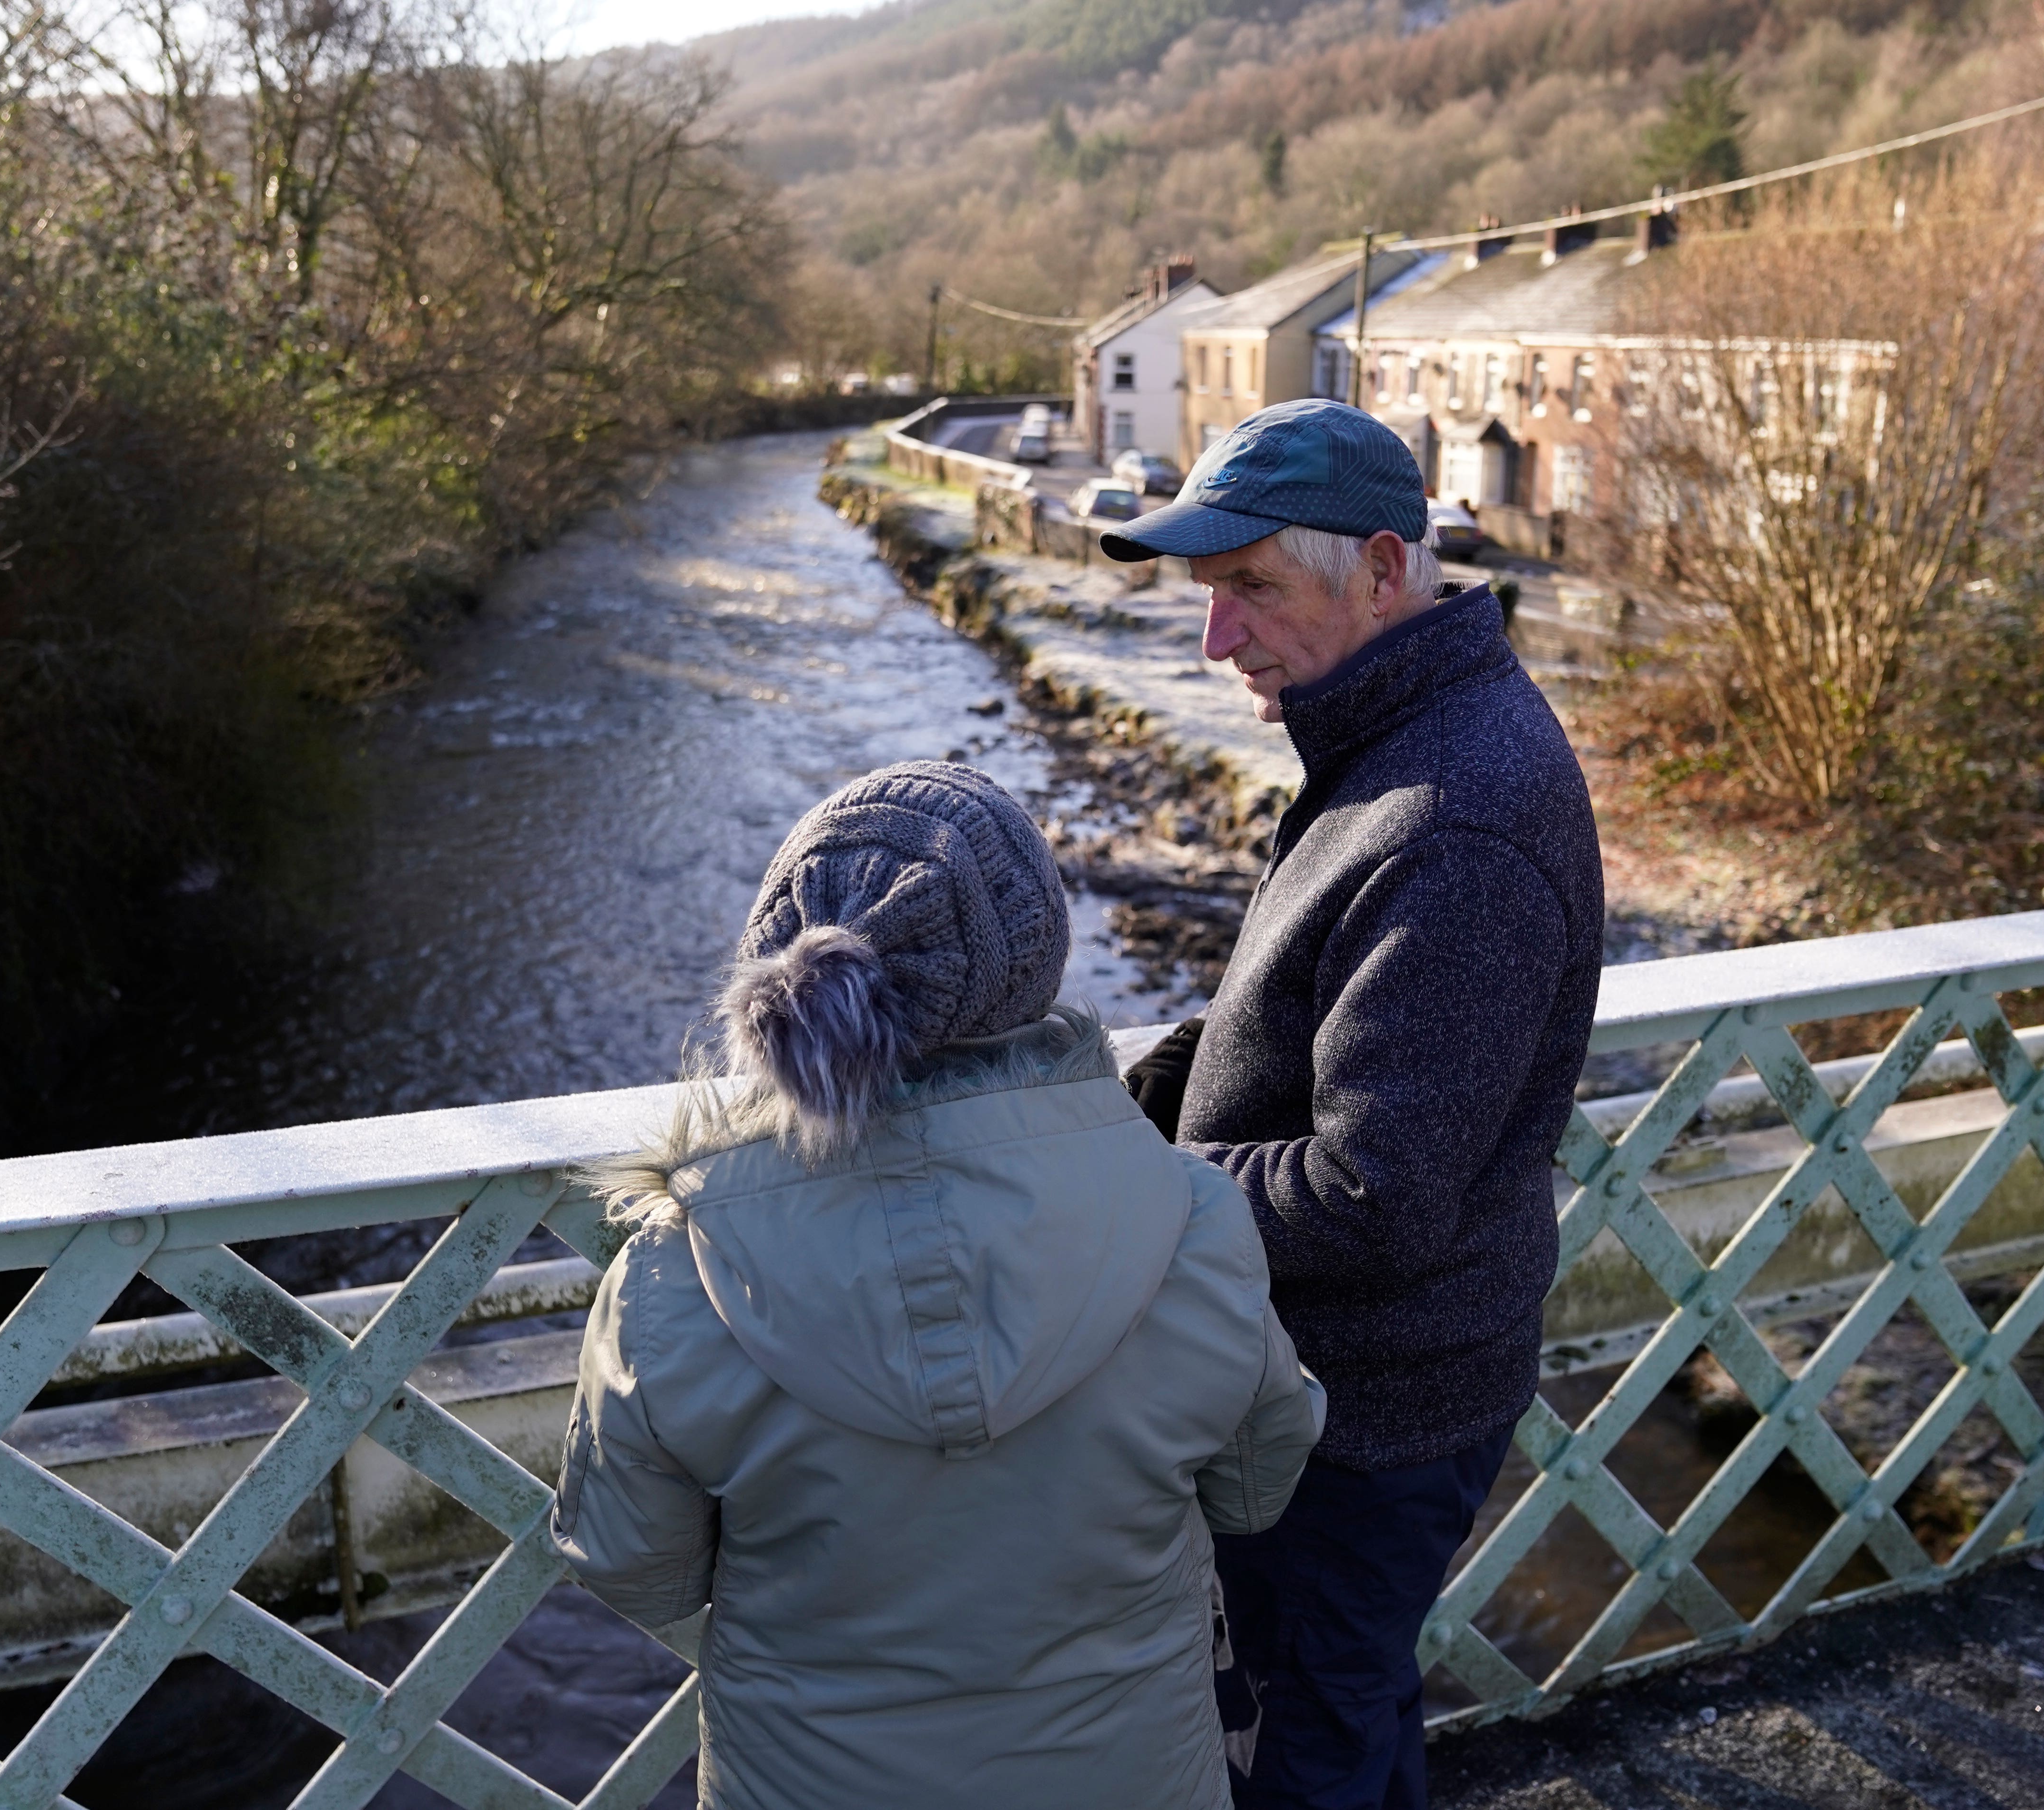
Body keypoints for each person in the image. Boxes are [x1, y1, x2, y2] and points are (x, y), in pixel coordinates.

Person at [549, 761, 1327, 1810]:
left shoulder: (677, 1268)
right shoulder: (1189, 1221)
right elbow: (1252, 1487)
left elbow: (630, 1561)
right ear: (1032, 971)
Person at [1100, 400, 1604, 1810]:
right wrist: (1150, 1084)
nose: (1218, 641)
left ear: (1384, 570)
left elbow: (1370, 1190)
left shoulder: (1455, 815)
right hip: (1361, 1390)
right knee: (1346, 1713)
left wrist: (1117, 1183)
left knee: (1299, 1750)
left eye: (1250, 588)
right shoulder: (1400, 734)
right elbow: (1319, 1000)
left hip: (1359, 1417)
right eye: (1209, 597)